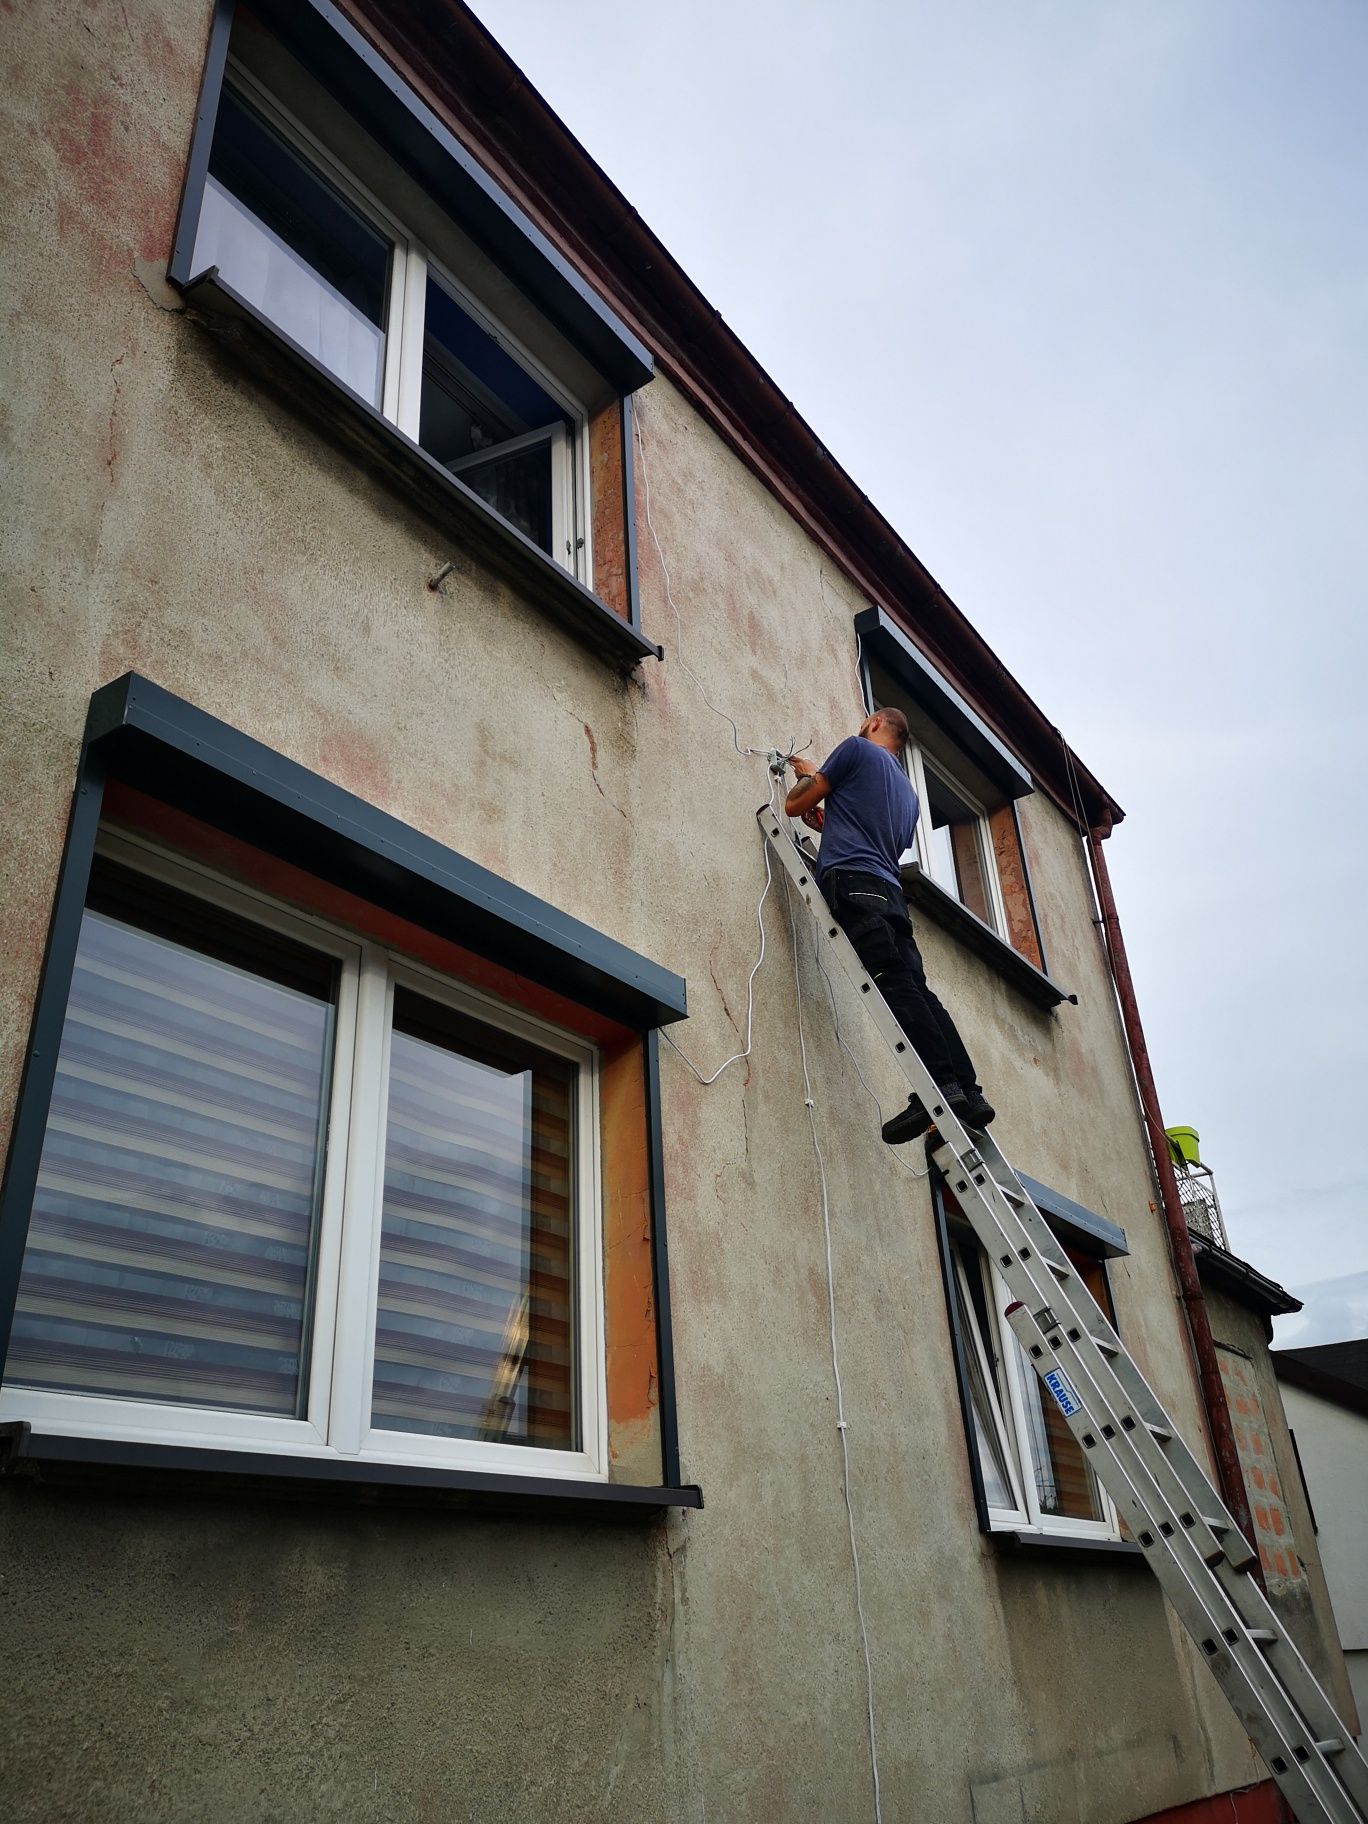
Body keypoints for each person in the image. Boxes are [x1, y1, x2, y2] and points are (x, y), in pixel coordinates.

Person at [785, 708, 996, 1142]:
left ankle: (940, 1087)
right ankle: (969, 1092)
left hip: (854, 884)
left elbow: (793, 805)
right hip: (890, 895)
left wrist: (810, 774)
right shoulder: (910, 797)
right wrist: (829, 820)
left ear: (878, 721)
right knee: (919, 991)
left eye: (867, 719)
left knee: (893, 984)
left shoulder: (855, 749)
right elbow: (873, 835)